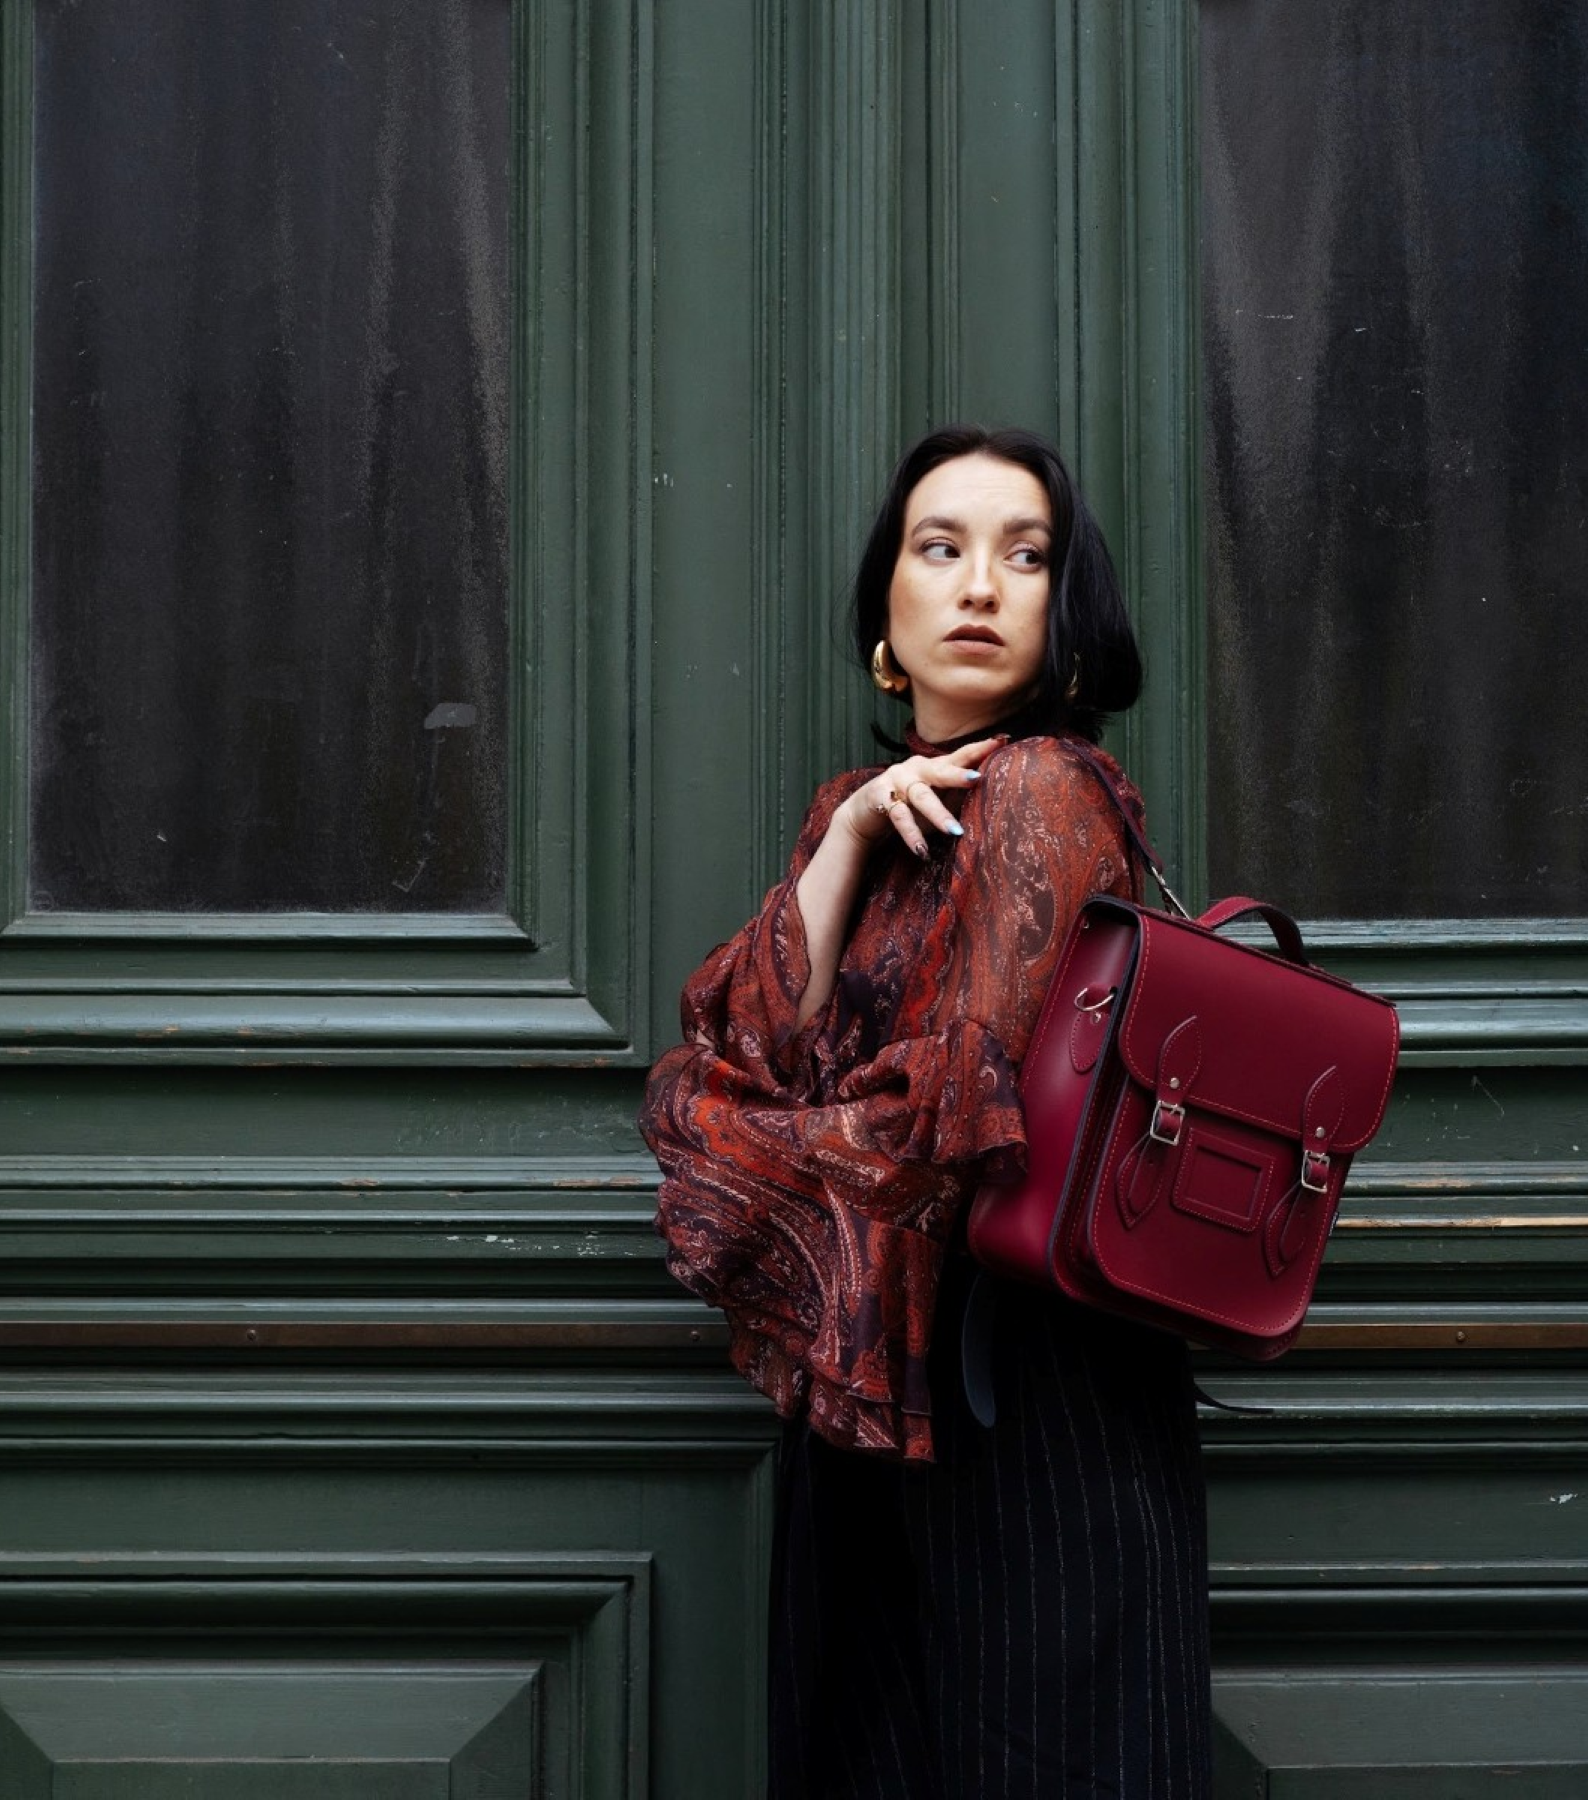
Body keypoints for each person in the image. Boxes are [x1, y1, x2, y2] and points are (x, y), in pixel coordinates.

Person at [640, 425, 1212, 1798]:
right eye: (939, 548)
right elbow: (745, 1042)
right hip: (875, 1389)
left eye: (1026, 556)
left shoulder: (1043, 792)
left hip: (1021, 1384)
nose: (978, 586)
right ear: (886, 622)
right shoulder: (864, 811)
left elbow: (922, 1129)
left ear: (1067, 621)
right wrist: (838, 848)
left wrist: (713, 1147)